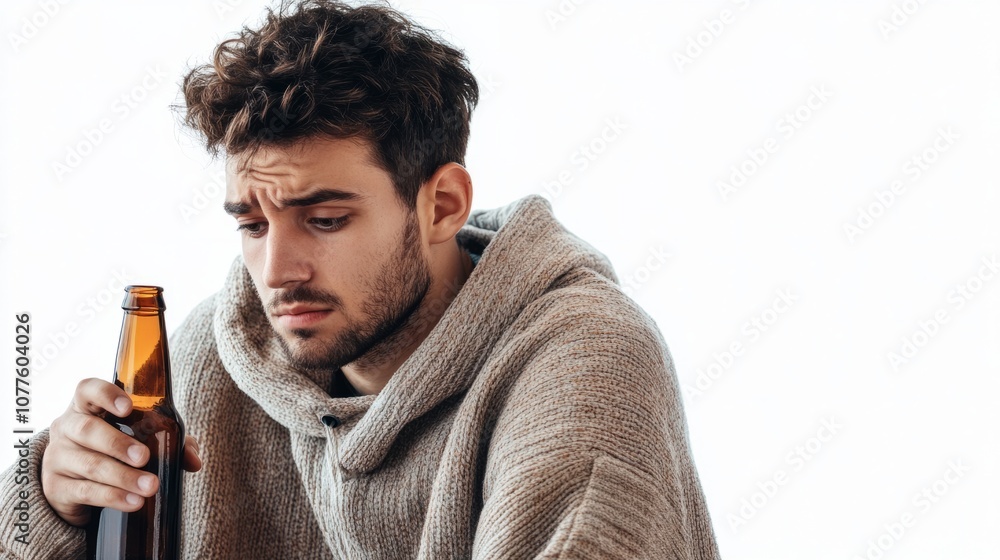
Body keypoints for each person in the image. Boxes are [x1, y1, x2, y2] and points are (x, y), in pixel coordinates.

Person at [0, 1, 720, 557]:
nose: (275, 274)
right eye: (252, 225)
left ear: (440, 205)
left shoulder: (583, 364)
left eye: (325, 219)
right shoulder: (211, 359)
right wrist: (52, 505)